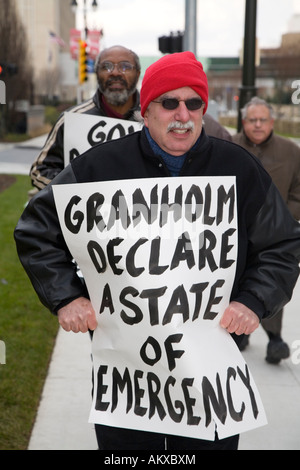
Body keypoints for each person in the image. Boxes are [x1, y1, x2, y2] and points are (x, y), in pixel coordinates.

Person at [14, 52, 300, 450]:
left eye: (193, 103)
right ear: (146, 111)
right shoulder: (100, 167)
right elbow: (36, 229)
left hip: (210, 366)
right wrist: (66, 298)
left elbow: (281, 244)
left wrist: (253, 301)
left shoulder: (238, 168)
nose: (182, 114)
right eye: (169, 103)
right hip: (128, 372)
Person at [233, 96, 300, 364]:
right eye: (252, 120)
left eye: (263, 120)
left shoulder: (290, 151)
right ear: (244, 122)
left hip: (276, 233)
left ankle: (275, 338)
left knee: (272, 282)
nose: (258, 125)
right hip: (238, 234)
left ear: (272, 122)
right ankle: (239, 333)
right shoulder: (230, 147)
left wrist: (283, 217)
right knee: (238, 282)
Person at [30, 45, 142, 190]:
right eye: (106, 66)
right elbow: (39, 171)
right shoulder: (71, 120)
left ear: (138, 74)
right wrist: (73, 193)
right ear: (97, 73)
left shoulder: (154, 120)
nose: (115, 72)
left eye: (125, 67)